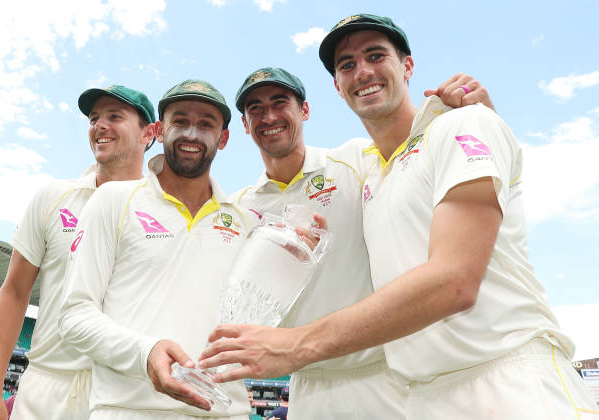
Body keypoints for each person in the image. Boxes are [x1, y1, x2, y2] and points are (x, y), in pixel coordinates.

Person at [199, 14, 599, 420]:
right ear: (338, 87)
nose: (363, 72)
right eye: (347, 65)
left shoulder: (461, 124)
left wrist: (295, 345)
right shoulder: (375, 172)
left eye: (376, 55)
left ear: (408, 66)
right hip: (420, 395)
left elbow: (455, 281)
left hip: (509, 381)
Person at [229, 67, 492, 419]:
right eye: (255, 109)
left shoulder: (355, 160)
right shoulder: (241, 208)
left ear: (304, 111)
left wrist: (472, 108)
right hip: (306, 384)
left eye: (280, 103)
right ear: (245, 125)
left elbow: (422, 150)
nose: (270, 116)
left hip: (382, 377)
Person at [57, 79, 285, 420]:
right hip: (130, 410)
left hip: (225, 412)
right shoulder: (114, 201)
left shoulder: (243, 222)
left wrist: (297, 261)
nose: (191, 134)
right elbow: (73, 316)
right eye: (180, 121)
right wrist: (145, 352)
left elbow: (262, 319)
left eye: (206, 124)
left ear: (223, 139)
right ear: (160, 131)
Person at [0, 85, 156, 420]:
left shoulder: (162, 211)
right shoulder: (53, 197)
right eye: (94, 118)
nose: (99, 125)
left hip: (124, 394)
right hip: (46, 390)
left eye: (115, 117)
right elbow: (15, 291)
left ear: (149, 134)